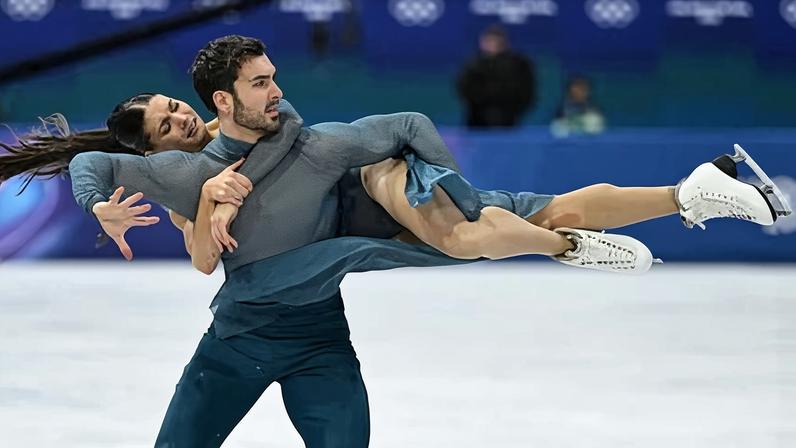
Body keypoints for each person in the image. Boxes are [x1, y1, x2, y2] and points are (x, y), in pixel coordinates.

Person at [1, 35, 790, 447]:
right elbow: (169, 225)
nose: (181, 120)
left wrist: (453, 186)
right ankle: (576, 238)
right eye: (167, 123)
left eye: (179, 107)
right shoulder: (181, 178)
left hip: (321, 328)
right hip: (241, 338)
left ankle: (682, 195)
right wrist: (126, 205)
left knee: (509, 220)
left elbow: (399, 126)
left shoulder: (295, 139)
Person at [456, 25, 537, 128]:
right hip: (476, 119)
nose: (492, 45)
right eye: (488, 41)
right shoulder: (473, 65)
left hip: (509, 119)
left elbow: (525, 91)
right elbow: (464, 88)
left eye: (495, 41)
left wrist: (511, 108)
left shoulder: (519, 64)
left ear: (504, 43)